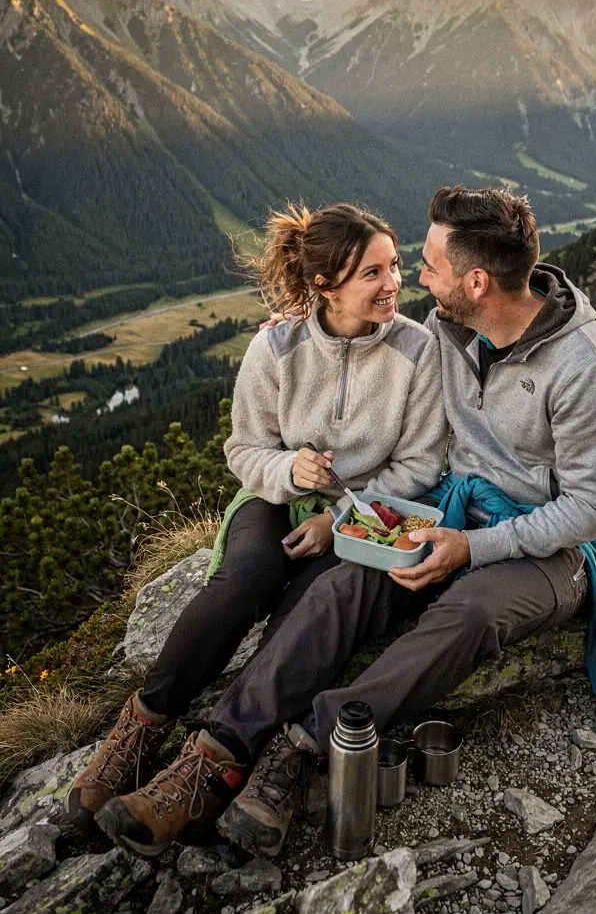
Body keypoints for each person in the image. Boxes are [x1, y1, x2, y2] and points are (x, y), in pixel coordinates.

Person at [95, 185, 596, 861]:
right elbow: (359, 336)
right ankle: (216, 758)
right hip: (451, 510)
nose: (419, 278)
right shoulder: (455, 327)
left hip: (550, 551)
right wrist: (294, 325)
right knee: (344, 583)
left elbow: (594, 508)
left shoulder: (593, 371)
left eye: (430, 264)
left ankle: (302, 748)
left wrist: (473, 547)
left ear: (475, 280)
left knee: (467, 613)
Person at [69, 201, 446, 837]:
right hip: (273, 500)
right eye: (373, 273)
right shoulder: (275, 345)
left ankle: (208, 764)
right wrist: (287, 472)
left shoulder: (417, 351)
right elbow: (243, 450)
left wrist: (342, 520)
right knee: (244, 578)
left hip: (361, 520)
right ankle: (142, 724)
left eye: (396, 265)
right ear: (324, 285)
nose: (393, 284)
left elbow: (422, 462)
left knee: (308, 609)